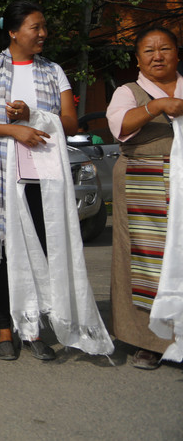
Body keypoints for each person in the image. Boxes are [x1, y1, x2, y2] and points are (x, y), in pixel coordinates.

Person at [0, 1, 78, 361]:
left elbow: (71, 123)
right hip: (2, 175)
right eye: (35, 27)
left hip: (44, 174)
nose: (43, 34)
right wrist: (14, 129)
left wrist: (35, 117)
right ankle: (3, 331)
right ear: (13, 32)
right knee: (3, 255)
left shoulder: (54, 71)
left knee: (40, 249)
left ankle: (33, 329)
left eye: (44, 27)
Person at [106, 26, 183, 369]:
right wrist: (157, 106)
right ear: (137, 59)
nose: (157, 56)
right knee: (142, 260)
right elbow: (120, 126)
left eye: (164, 49)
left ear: (176, 54)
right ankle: (147, 341)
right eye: (149, 51)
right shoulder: (128, 91)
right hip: (142, 181)